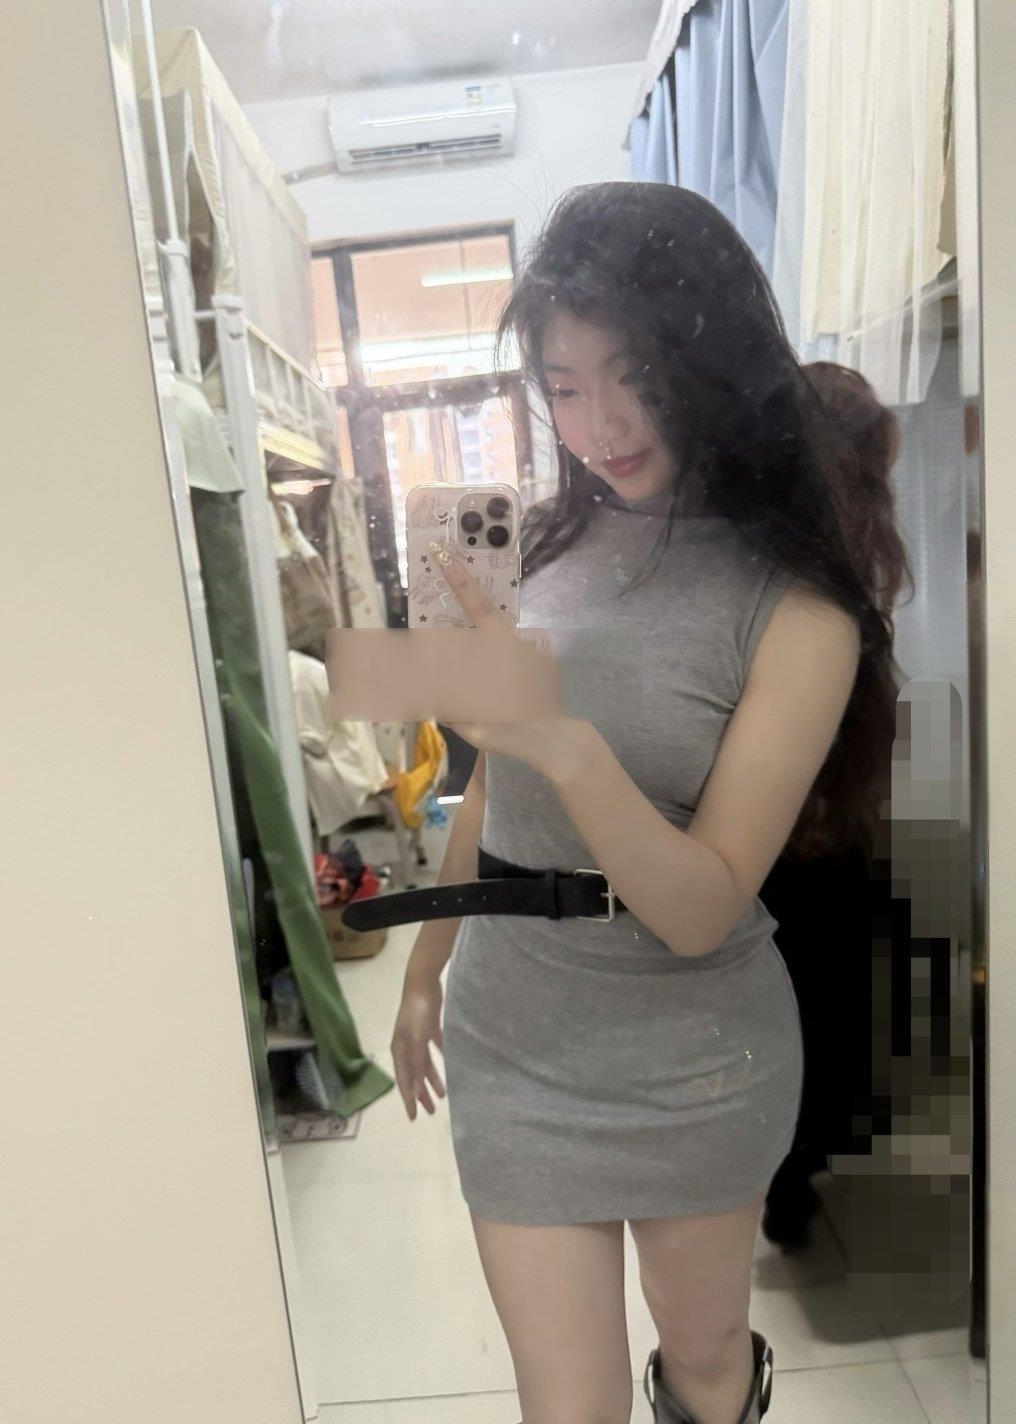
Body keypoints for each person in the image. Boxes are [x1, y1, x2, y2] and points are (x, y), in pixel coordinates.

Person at [389, 183, 896, 1424]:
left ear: (714, 367)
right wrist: (423, 966)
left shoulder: (798, 609)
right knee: (566, 1403)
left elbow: (701, 905)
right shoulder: (538, 548)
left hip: (695, 1057)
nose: (598, 425)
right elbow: (493, 787)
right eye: (562, 387)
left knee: (705, 1361)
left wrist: (564, 742)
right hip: (515, 1037)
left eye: (634, 377)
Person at [759, 362, 909, 1251]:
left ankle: (788, 1175)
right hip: (809, 831)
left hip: (796, 831)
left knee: (802, 1011)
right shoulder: (827, 570)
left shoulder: (780, 555)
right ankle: (791, 1175)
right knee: (817, 1009)